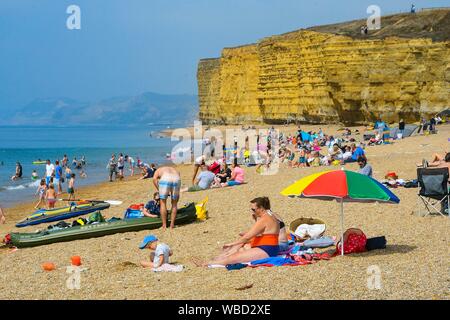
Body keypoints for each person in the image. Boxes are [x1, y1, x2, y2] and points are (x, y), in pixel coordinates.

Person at [192, 197, 280, 267]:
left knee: (234, 258)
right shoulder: (270, 215)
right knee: (237, 249)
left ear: (261, 208)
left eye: (253, 209)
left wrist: (231, 243)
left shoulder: (264, 219)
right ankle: (215, 260)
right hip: (267, 246)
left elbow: (247, 237)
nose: (252, 212)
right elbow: (261, 233)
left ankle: (207, 264)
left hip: (267, 250)